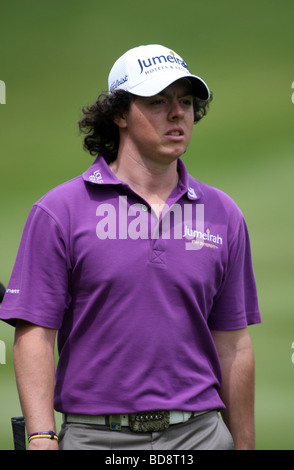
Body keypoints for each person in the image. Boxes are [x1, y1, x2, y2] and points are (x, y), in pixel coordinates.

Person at [0, 44, 261, 451]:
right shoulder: (59, 211)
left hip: (201, 436)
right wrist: (41, 436)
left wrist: (245, 446)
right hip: (96, 439)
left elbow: (234, 345)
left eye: (187, 102)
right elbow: (34, 335)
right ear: (119, 114)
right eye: (158, 101)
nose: (178, 113)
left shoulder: (222, 214)